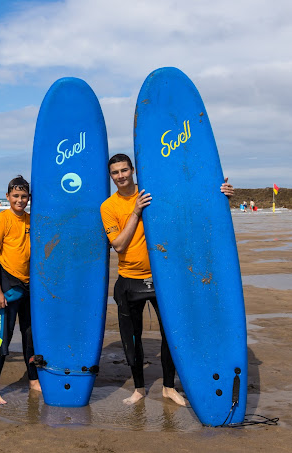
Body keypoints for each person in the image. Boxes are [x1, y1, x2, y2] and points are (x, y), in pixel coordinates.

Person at [100, 153, 234, 406]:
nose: (120, 176)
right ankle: (139, 388)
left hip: (164, 280)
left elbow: (189, 209)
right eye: (115, 172)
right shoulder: (108, 207)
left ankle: (168, 387)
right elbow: (118, 244)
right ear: (111, 176)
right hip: (129, 281)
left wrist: (219, 195)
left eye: (124, 170)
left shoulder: (153, 194)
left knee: (171, 334)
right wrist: (135, 212)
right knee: (132, 338)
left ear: (133, 170)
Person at [0, 175, 41, 404]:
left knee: (30, 336)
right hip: (8, 286)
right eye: (15, 196)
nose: (20, 200)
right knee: (3, 337)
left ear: (29, 197)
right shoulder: (1, 219)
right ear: (7, 196)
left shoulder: (32, 220)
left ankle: (33, 380)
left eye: (24, 196)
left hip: (30, 287)